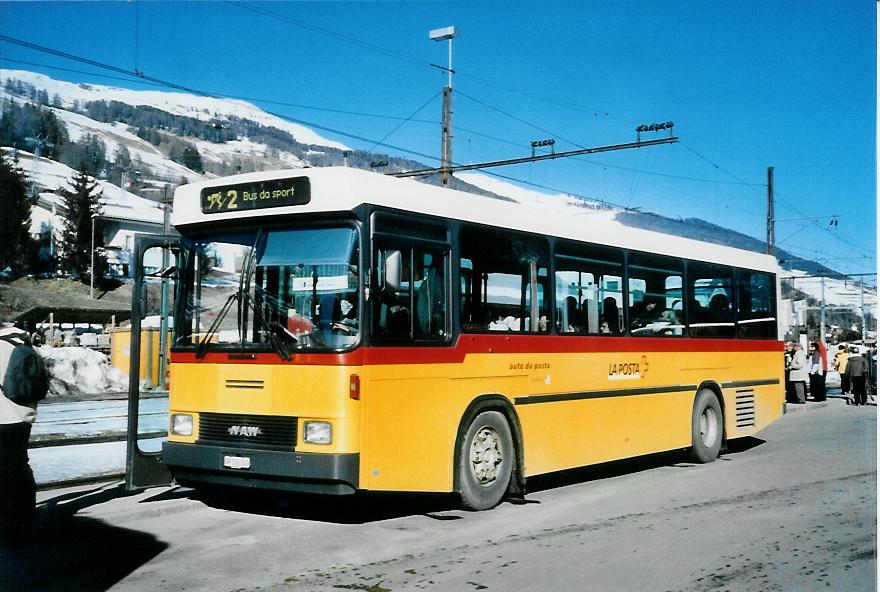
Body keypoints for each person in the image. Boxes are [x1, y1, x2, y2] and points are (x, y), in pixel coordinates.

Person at [0, 324, 40, 545]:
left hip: (2, 417)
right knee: (18, 466)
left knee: (6, 472)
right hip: (22, 415)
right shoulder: (23, 342)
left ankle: (11, 526)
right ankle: (24, 518)